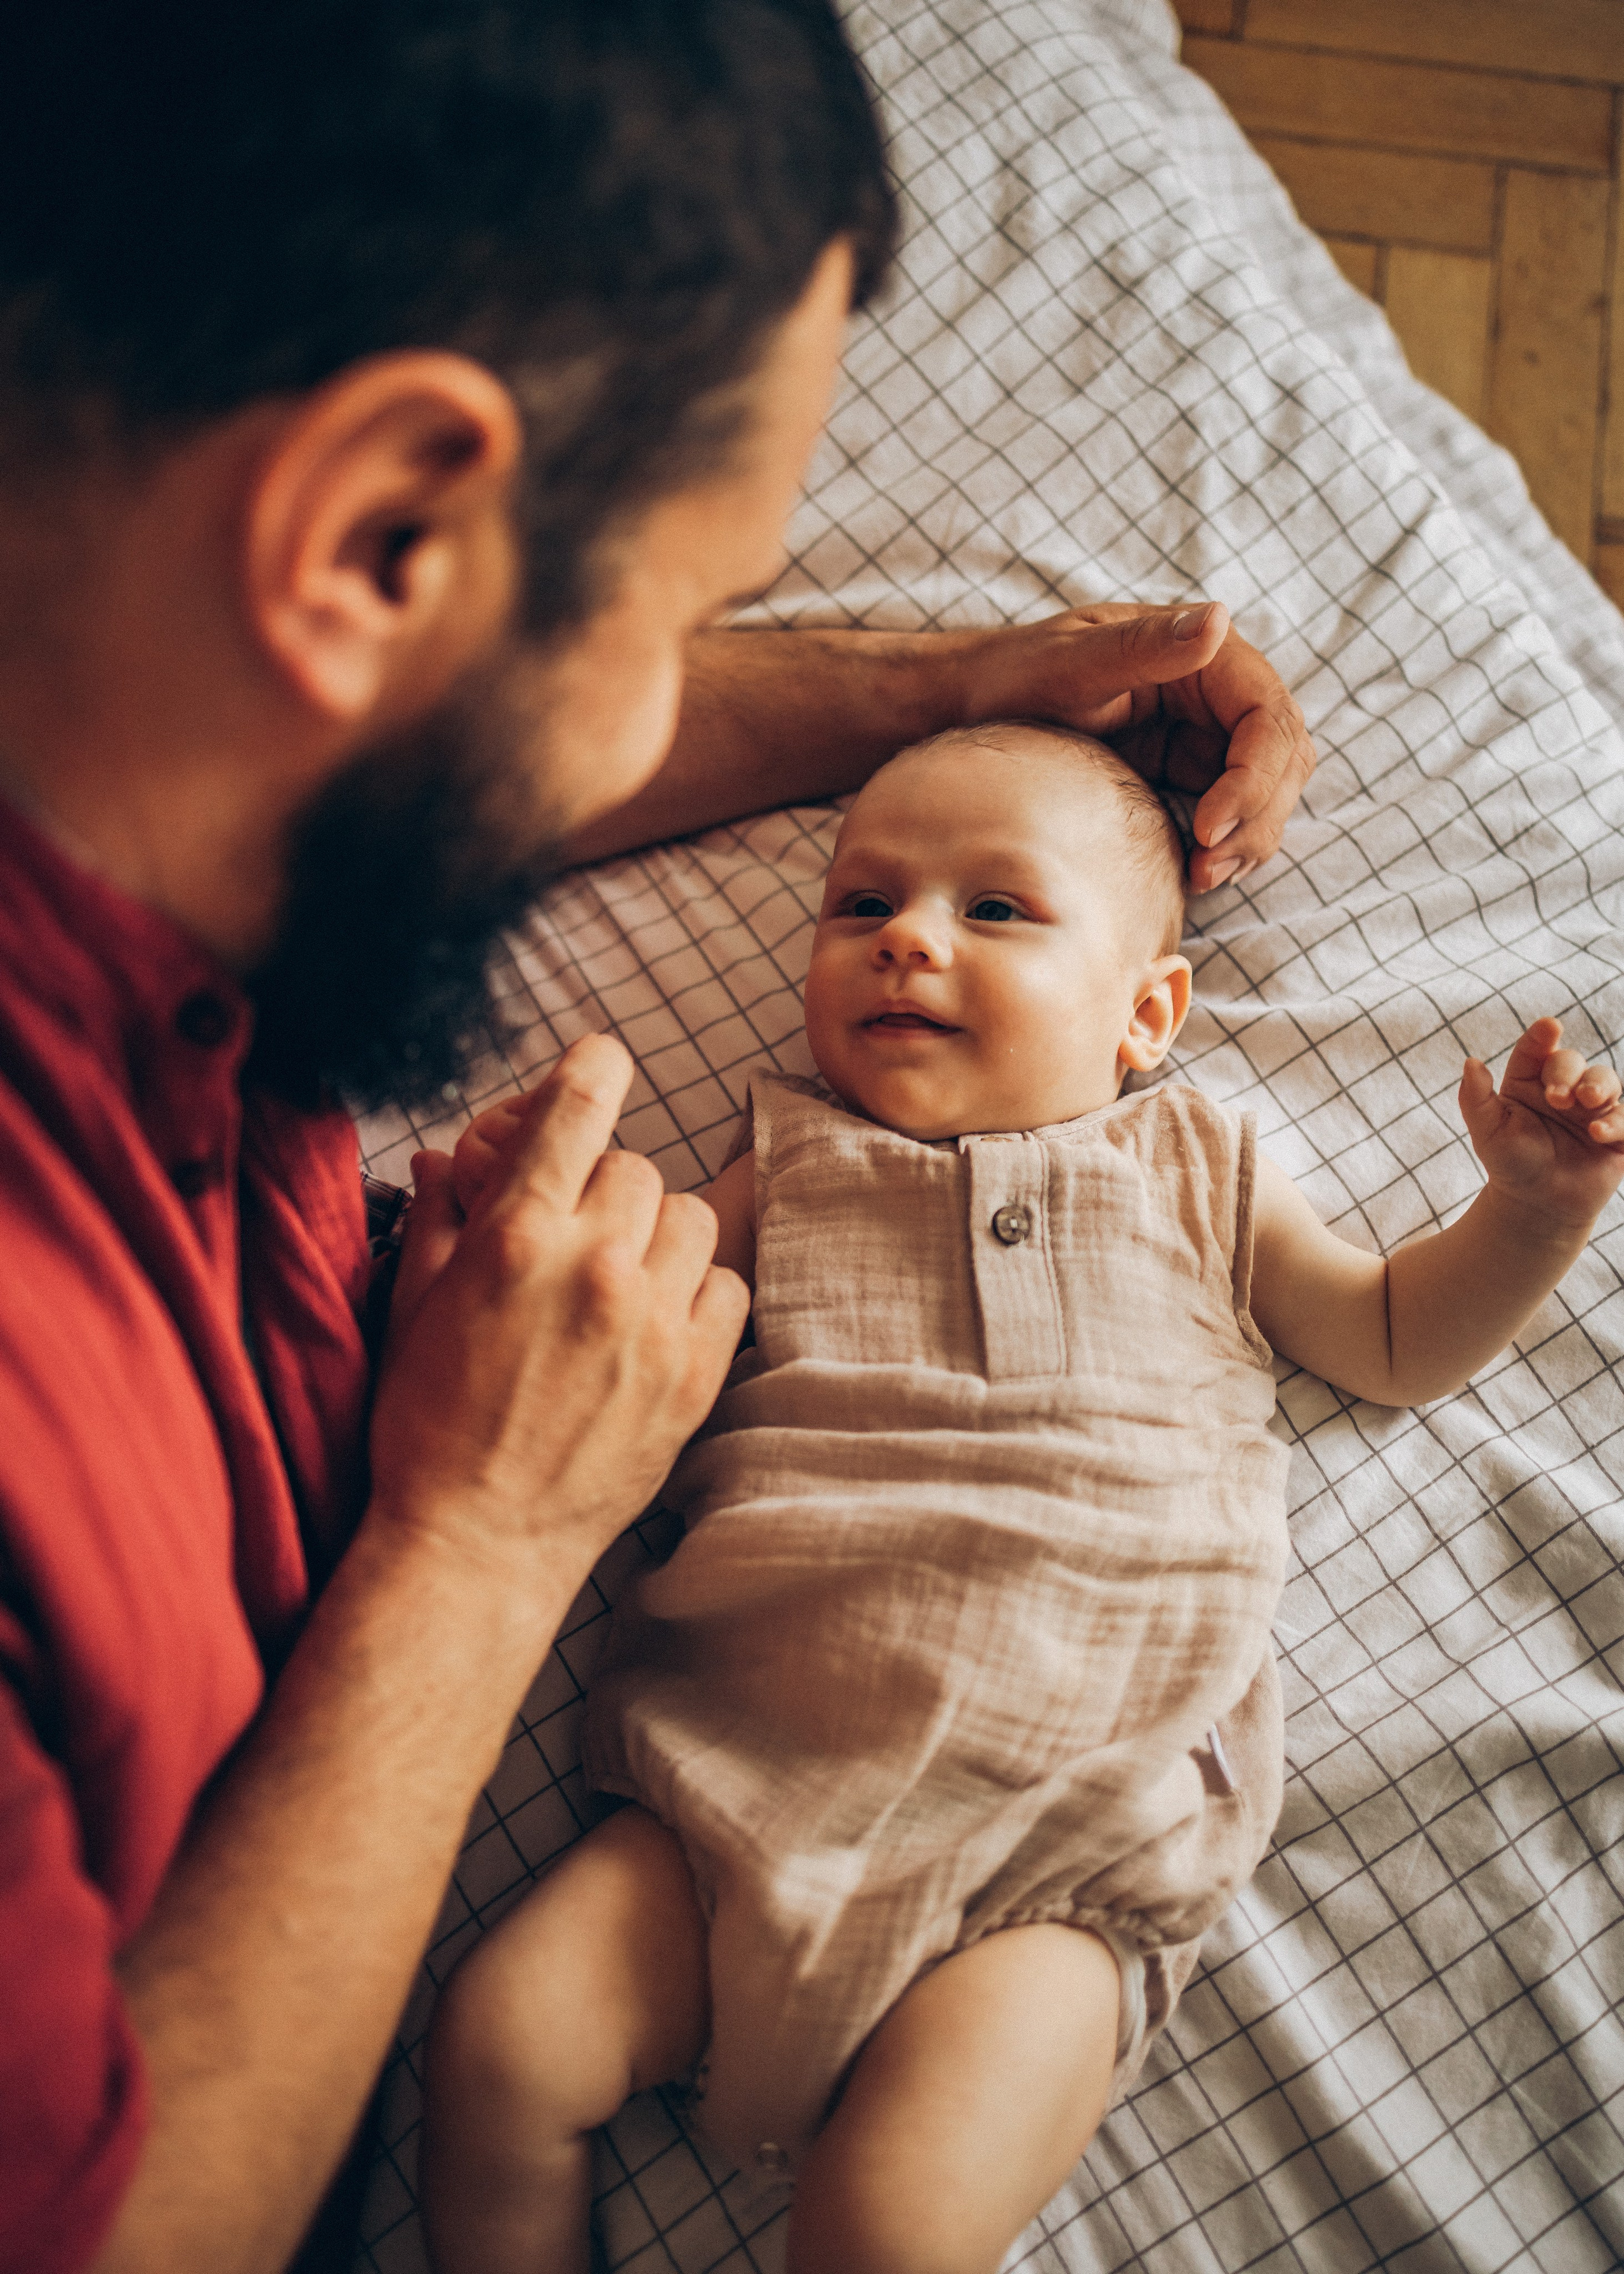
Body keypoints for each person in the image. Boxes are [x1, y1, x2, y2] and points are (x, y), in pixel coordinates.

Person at [0, 8, 1321, 2272]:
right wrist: (482, 1536)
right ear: (371, 530)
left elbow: (423, 703)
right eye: (681, 612)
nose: (656, 715)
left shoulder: (135, 682)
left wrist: (948, 705)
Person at [422, 724, 1624, 2274]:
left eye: (993, 909)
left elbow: (1393, 1340)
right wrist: (514, 1232)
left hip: (1062, 1834)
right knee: (500, 2052)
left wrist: (1525, 1214)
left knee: (889, 2224)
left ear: (1144, 1014)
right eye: (862, 903)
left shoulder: (1194, 1161)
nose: (906, 936)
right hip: (727, 1782)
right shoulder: (778, 1167)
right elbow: (606, 1333)